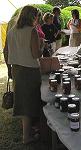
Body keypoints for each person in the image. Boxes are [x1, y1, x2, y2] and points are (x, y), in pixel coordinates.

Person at [3, 5, 42, 144]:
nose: (37, 19)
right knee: (30, 102)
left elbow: (5, 51)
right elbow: (36, 54)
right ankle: (27, 136)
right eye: (36, 16)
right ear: (32, 16)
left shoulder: (12, 30)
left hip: (17, 69)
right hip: (30, 70)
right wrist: (42, 46)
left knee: (23, 100)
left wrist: (8, 68)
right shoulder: (32, 31)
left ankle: (28, 130)